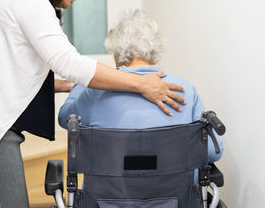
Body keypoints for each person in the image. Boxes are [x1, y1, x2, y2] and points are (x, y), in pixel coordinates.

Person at [0, 0, 186, 208]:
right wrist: (141, 84)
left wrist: (71, 86)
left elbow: (19, 74)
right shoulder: (30, 0)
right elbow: (69, 63)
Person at [59, 9, 223, 164]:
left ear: (116, 54)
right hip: (174, 193)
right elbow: (213, 151)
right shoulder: (185, 91)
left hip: (108, 193)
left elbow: (64, 119)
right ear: (155, 49)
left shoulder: (95, 92)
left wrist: (82, 82)